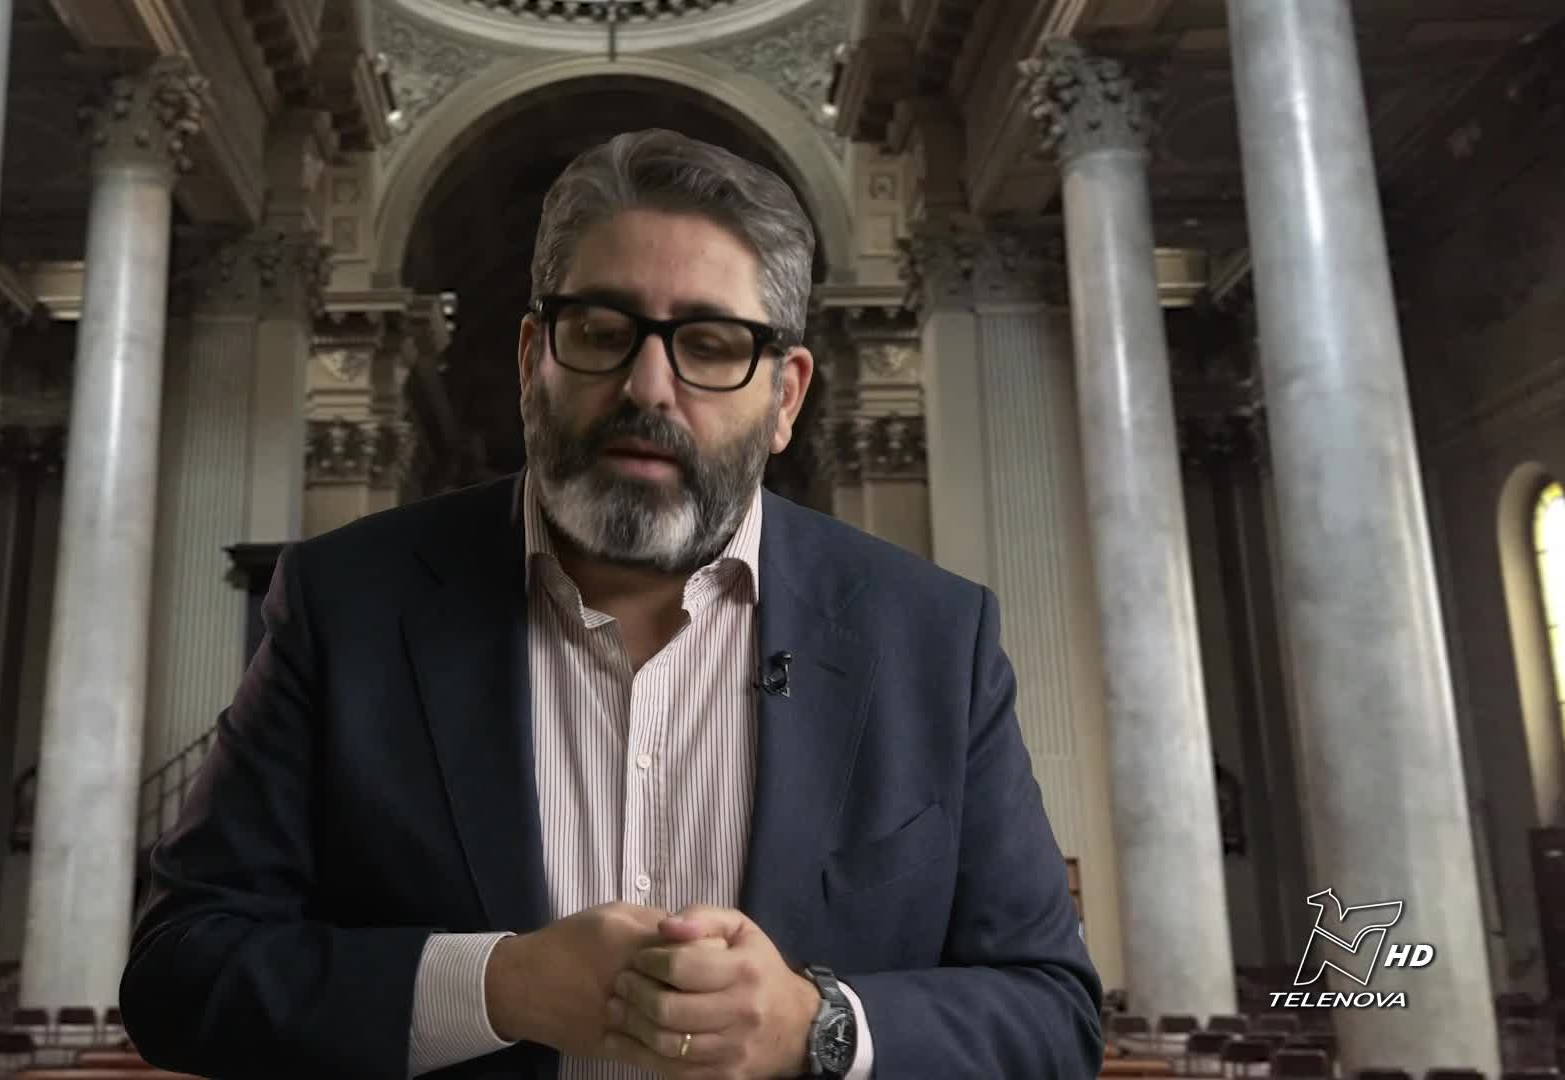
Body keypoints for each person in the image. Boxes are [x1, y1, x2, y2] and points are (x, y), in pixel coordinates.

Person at [119, 128, 1103, 1079]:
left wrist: (819, 1027)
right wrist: (497, 986)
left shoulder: (933, 638)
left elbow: (1052, 1014)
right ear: (530, 359)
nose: (648, 386)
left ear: (786, 397)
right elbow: (181, 970)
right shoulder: (347, 606)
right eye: (600, 332)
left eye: (710, 344)